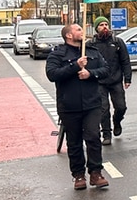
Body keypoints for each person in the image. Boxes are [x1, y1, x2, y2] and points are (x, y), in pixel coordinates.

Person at [46, 24, 111, 190]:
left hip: (92, 103)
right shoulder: (58, 53)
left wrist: (90, 74)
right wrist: (75, 66)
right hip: (69, 105)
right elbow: (52, 74)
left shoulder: (92, 51)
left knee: (93, 136)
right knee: (74, 142)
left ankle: (96, 172)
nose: (82, 32)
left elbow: (105, 69)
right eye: (78, 30)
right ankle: (78, 175)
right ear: (68, 35)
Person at [88, 16, 132, 146]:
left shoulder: (117, 42)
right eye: (101, 25)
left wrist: (127, 78)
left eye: (106, 24)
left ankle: (117, 121)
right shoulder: (90, 44)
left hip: (115, 80)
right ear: (96, 28)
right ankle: (106, 133)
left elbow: (125, 61)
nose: (104, 27)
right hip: (99, 82)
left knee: (121, 107)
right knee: (103, 109)